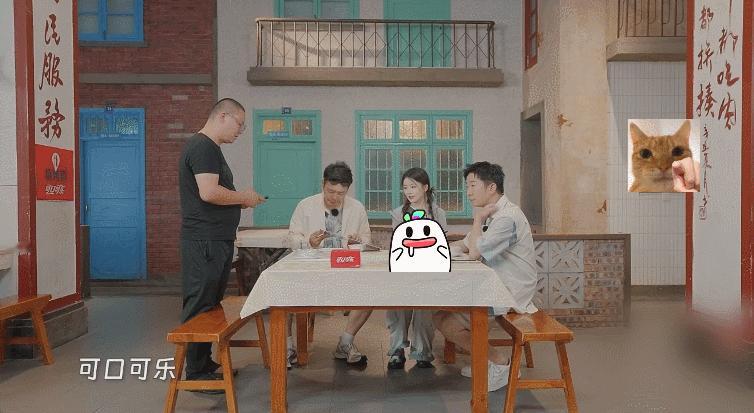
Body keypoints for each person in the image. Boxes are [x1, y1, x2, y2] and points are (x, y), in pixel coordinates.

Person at [178, 98, 265, 389]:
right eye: (239, 124)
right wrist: (243, 197)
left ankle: (203, 362)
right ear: (223, 116)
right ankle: (196, 371)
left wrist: (240, 201)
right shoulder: (202, 147)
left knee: (210, 304)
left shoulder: (211, 149)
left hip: (215, 239)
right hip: (205, 240)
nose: (240, 131)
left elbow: (215, 193)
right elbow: (209, 192)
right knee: (200, 303)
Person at [433, 161, 537, 392]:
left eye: (472, 185)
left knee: (444, 319)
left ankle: (500, 363)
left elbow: (474, 253)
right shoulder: (494, 213)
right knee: (443, 311)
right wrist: (434, 251)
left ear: (491, 187)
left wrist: (478, 220)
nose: (468, 192)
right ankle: (487, 360)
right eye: (467, 186)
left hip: (510, 292)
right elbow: (466, 243)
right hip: (496, 286)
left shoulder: (506, 218)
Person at [284, 162, 372, 366]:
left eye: (340, 193)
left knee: (371, 291)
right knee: (284, 289)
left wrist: (357, 242)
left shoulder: (356, 208)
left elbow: (367, 240)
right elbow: (292, 238)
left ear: (347, 190)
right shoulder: (305, 206)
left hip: (344, 268)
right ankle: (287, 346)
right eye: (330, 191)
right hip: (311, 270)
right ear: (323, 184)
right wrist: (309, 242)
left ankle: (346, 343)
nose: (334, 197)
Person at [386, 167, 447, 369]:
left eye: (413, 186)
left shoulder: (438, 213)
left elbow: (441, 244)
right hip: (404, 271)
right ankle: (397, 350)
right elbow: (398, 243)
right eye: (405, 188)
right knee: (399, 308)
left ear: (425, 187)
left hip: (430, 273)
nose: (409, 191)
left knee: (424, 310)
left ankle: (422, 352)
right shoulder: (398, 213)